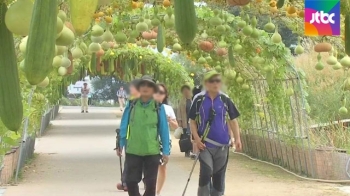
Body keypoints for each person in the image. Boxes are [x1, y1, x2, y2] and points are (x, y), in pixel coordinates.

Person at [188, 70, 242, 196]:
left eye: (217, 81)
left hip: (222, 145)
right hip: (205, 144)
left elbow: (233, 120)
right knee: (206, 172)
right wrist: (196, 139)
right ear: (206, 83)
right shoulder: (199, 99)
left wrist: (237, 139)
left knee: (218, 176)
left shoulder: (225, 99)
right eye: (212, 81)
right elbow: (192, 121)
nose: (215, 84)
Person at [117, 75, 170, 196]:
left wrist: (166, 151)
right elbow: (124, 125)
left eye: (149, 85)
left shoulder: (158, 107)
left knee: (151, 184)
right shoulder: (132, 104)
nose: (146, 88)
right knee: (130, 181)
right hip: (133, 149)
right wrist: (121, 143)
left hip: (152, 150)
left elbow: (164, 130)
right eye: (143, 85)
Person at [153, 83, 178, 196]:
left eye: (161, 93)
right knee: (150, 166)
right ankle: (151, 188)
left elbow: (175, 126)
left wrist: (169, 121)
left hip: (164, 141)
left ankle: (158, 191)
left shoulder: (167, 109)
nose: (159, 95)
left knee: (162, 166)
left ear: (165, 95)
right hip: (150, 140)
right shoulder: (149, 107)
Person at [116, 79, 141, 192]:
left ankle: (129, 182)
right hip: (131, 138)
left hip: (146, 140)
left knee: (134, 162)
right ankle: (127, 182)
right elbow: (125, 122)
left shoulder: (154, 104)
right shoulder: (132, 103)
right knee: (131, 162)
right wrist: (121, 141)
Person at [177, 85, 193, 158]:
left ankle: (193, 149)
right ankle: (187, 151)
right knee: (186, 136)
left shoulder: (193, 99)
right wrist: (179, 121)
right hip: (185, 121)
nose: (186, 92)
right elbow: (179, 111)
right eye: (184, 91)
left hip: (192, 121)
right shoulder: (182, 101)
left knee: (192, 135)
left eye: (187, 90)